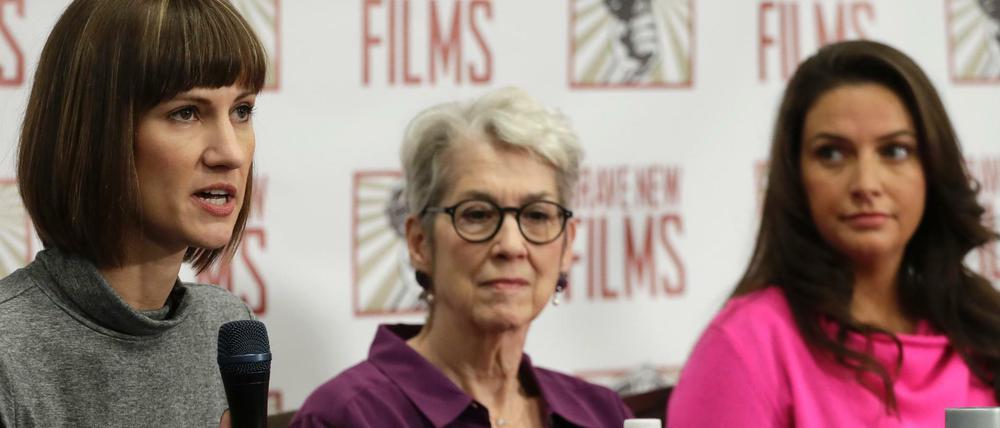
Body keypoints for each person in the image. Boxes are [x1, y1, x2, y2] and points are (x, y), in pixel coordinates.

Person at [668, 40, 1000, 427]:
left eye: (895, 151)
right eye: (831, 153)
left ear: (932, 168)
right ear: (795, 177)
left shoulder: (982, 322)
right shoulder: (747, 345)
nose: (866, 183)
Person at [291, 88, 634, 427]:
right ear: (419, 242)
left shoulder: (604, 415)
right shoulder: (346, 418)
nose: (511, 245)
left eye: (537, 215)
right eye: (478, 214)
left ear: (566, 245)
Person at [0, 0, 267, 426]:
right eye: (186, 113)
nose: (231, 153)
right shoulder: (8, 352)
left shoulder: (227, 329)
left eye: (242, 111)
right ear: (93, 131)